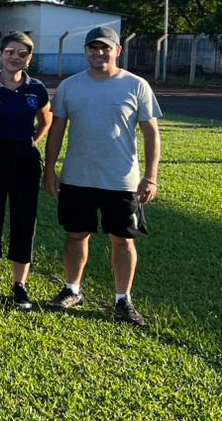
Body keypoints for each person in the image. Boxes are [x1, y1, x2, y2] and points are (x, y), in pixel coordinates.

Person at [43, 26, 161, 326]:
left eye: (105, 47)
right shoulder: (69, 86)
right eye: (93, 48)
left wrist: (150, 176)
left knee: (123, 240)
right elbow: (56, 131)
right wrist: (50, 169)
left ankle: (123, 300)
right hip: (77, 177)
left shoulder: (136, 85)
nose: (99, 53)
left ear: (117, 50)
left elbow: (151, 134)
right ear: (86, 51)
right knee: (75, 235)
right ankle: (72, 290)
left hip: (121, 180)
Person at [0, 32, 52, 310]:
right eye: (10, 52)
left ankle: (20, 285)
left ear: (30, 58)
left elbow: (45, 121)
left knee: (24, 220)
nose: (15, 57)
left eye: (22, 53)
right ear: (1, 54)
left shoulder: (37, 89)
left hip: (24, 161)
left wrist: (30, 142)